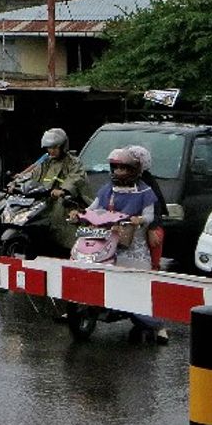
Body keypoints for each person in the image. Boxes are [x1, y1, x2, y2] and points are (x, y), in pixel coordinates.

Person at [79, 147, 168, 344]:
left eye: (124, 168)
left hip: (132, 241)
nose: (119, 172)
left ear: (135, 169)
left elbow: (151, 215)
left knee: (136, 284)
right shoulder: (108, 188)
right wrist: (80, 213)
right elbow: (94, 207)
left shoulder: (145, 190)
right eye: (116, 168)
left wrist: (140, 220)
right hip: (107, 237)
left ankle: (157, 324)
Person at [18, 127, 91, 252]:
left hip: (67, 201)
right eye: (49, 148)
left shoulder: (73, 162)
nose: (51, 151)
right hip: (45, 200)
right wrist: (18, 183)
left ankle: (67, 249)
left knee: (60, 216)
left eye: (54, 148)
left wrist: (63, 189)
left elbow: (76, 177)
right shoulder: (46, 162)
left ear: (63, 147)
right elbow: (33, 174)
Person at [125, 145, 168, 271]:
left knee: (156, 239)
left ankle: (154, 269)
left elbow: (156, 206)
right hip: (126, 222)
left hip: (146, 223)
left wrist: (152, 228)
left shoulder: (147, 182)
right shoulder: (120, 180)